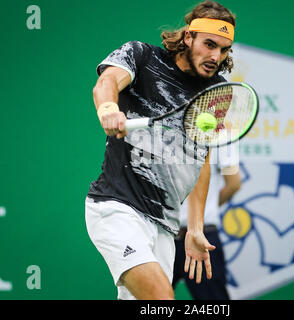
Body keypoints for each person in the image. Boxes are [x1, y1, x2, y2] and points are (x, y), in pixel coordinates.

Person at [85, 0, 237, 300]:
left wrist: (194, 227)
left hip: (165, 227)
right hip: (118, 208)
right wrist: (107, 108)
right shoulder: (142, 56)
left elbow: (199, 161)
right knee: (161, 301)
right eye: (209, 44)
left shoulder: (217, 89)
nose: (215, 56)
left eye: (223, 49)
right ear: (188, 37)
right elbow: (107, 81)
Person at [173, 143, 241, 300]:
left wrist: (199, 214)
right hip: (163, 235)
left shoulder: (222, 133)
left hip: (202, 238)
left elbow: (233, 184)